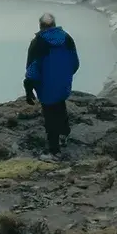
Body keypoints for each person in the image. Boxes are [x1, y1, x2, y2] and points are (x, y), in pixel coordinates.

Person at [23, 12, 80, 160]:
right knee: (60, 105)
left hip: (46, 86)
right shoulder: (67, 38)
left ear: (40, 26)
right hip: (63, 84)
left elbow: (32, 69)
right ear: (54, 24)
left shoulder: (38, 42)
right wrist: (64, 77)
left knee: (50, 116)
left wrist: (29, 89)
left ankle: (54, 151)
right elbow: (75, 63)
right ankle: (65, 134)